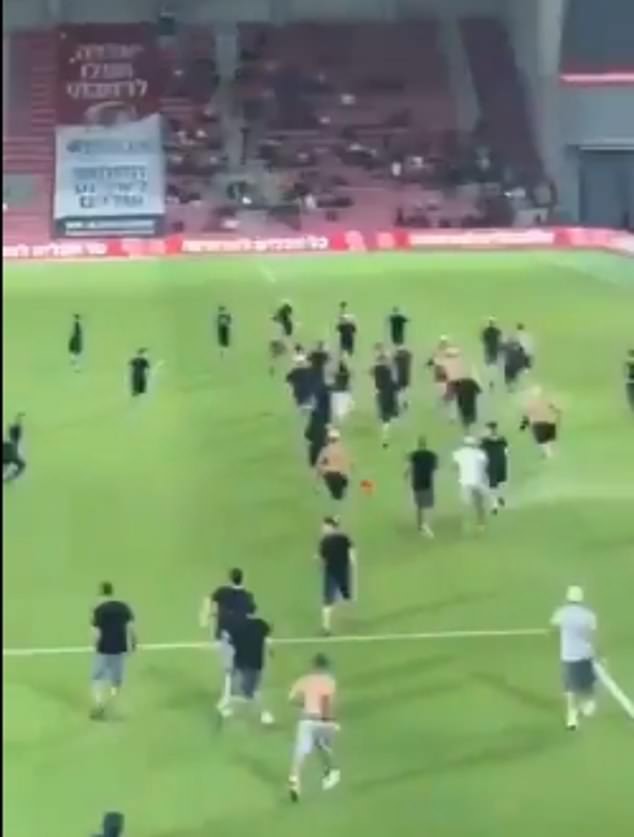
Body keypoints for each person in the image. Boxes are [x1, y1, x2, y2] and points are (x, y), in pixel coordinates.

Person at [199, 568, 256, 711]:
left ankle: (227, 697)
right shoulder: (248, 596)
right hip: (242, 636)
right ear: (242, 579)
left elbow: (208, 599)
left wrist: (205, 616)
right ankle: (237, 691)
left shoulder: (222, 592)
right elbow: (251, 614)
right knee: (234, 666)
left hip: (225, 635)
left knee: (228, 668)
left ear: (230, 579)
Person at [288, 653, 340, 801]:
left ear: (313, 666)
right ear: (326, 667)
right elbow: (327, 702)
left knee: (300, 752)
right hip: (321, 719)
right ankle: (331, 772)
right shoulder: (329, 681)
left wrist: (303, 705)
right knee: (323, 746)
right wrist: (330, 721)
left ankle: (294, 779)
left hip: (305, 720)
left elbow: (292, 699)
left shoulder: (303, 680)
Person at [551, 586, 598, 730]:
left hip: (568, 656)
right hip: (585, 654)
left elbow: (553, 625)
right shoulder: (589, 615)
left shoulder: (562, 613)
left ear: (568, 598)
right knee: (587, 682)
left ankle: (572, 716)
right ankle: (587, 705)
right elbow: (593, 635)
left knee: (570, 688)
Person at [218, 605, 274, 725]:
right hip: (257, 663)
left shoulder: (237, 625)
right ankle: (264, 714)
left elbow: (228, 640)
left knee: (236, 689)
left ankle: (226, 708)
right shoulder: (261, 624)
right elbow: (268, 634)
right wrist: (270, 651)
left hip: (240, 663)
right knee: (254, 691)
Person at [91, 582, 136, 720]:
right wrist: (132, 644)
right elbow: (130, 628)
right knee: (116, 681)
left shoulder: (98, 610)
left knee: (97, 678)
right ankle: (111, 705)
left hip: (103, 649)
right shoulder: (124, 607)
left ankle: (99, 705)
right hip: (119, 649)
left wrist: (95, 646)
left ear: (101, 593)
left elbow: (96, 632)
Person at [317, 516, 356, 634]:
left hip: (332, 572)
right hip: (341, 570)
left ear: (331, 527)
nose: (323, 529)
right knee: (343, 596)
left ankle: (327, 627)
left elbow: (322, 558)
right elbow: (351, 551)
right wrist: (352, 562)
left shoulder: (325, 541)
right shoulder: (343, 538)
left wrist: (319, 562)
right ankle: (329, 626)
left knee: (329, 600)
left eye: (325, 526)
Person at [452, 436, 489, 528]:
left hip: (465, 482)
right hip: (477, 481)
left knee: (466, 504)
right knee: (479, 503)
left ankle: (467, 523)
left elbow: (455, 467)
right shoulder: (479, 453)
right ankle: (481, 523)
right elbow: (485, 465)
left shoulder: (459, 453)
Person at [406, 437, 438, 537]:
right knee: (428, 506)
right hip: (428, 482)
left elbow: (410, 466)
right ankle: (426, 525)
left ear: (418, 445)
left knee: (419, 506)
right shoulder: (432, 455)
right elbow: (435, 468)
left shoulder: (414, 455)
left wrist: (406, 474)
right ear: (425, 444)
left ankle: (420, 526)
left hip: (417, 482)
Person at [520, 386, 561, 458]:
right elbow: (554, 408)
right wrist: (557, 412)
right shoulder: (545, 400)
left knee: (541, 441)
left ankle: (548, 454)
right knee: (547, 440)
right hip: (549, 422)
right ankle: (548, 453)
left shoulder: (530, 403)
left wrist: (523, 426)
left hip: (538, 424)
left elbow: (526, 416)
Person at [371, 347, 398, 447]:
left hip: (381, 394)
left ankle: (385, 436)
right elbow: (394, 384)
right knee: (387, 418)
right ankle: (385, 437)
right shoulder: (388, 370)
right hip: (389, 394)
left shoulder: (377, 369)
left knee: (384, 417)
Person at [317, 428, 351, 505]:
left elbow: (319, 465)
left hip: (328, 475)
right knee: (339, 497)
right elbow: (348, 465)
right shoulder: (342, 449)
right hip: (339, 475)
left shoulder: (325, 449)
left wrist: (318, 481)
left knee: (334, 496)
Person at [480, 422, 509, 512]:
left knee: (493, 485)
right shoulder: (502, 439)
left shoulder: (485, 441)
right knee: (500, 483)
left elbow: (481, 454)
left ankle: (495, 505)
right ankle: (498, 500)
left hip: (491, 464)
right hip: (501, 462)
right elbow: (506, 451)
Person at [3, 413, 26, 482]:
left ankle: (17, 422)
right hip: (10, 451)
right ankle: (10, 476)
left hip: (10, 450)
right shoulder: (12, 457)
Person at [481, 318, 502, 387]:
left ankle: (489, 380)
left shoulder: (485, 331)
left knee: (488, 365)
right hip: (495, 350)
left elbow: (483, 340)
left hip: (488, 350)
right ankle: (493, 380)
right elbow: (500, 339)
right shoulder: (497, 331)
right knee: (494, 365)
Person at [331, 359, 353, 423]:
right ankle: (339, 421)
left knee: (335, 409)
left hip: (336, 391)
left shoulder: (335, 374)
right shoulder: (346, 374)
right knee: (342, 411)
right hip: (344, 392)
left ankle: (336, 423)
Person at [393, 345, 413, 411]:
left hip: (399, 377)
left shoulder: (397, 357)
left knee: (399, 391)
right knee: (405, 390)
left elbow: (394, 360)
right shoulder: (408, 356)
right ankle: (405, 402)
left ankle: (400, 404)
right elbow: (409, 354)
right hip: (406, 376)